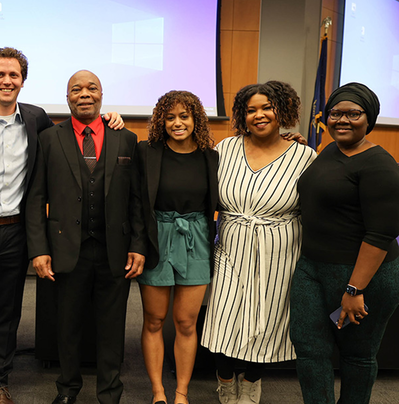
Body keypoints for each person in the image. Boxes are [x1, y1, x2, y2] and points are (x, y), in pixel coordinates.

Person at [0, 49, 123, 404]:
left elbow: (74, 136)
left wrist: (112, 118)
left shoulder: (36, 119)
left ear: (23, 80)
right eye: (0, 75)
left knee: (8, 313)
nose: (7, 81)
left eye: (14, 75)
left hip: (16, 234)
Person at [26, 70, 145, 404]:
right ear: (67, 98)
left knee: (112, 328)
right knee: (67, 327)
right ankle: (67, 389)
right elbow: (36, 198)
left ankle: (110, 392)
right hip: (65, 250)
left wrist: (138, 245)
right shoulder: (49, 139)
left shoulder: (126, 139)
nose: (84, 94)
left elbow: (136, 200)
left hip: (114, 251)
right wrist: (38, 249)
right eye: (76, 89)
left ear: (102, 95)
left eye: (91, 88)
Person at [200, 81, 316, 404]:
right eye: (251, 110)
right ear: (242, 115)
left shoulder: (304, 155)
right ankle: (225, 379)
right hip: (232, 246)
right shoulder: (225, 149)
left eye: (267, 108)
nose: (259, 115)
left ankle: (252, 382)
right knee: (223, 319)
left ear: (283, 111)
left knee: (265, 321)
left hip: (279, 251)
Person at [291, 82, 399, 404]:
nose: (342, 120)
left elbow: (381, 234)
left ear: (369, 118)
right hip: (312, 268)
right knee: (309, 349)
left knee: (357, 355)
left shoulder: (380, 165)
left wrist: (354, 289)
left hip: (365, 276)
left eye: (353, 113)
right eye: (335, 113)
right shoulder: (328, 150)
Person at [136, 91, 218, 404]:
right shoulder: (148, 151)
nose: (177, 123)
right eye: (170, 117)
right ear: (161, 120)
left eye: (184, 116)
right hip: (158, 237)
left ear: (196, 118)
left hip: (195, 238)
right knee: (154, 320)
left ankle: (181, 393)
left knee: (186, 321)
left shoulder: (211, 156)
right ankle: (158, 392)